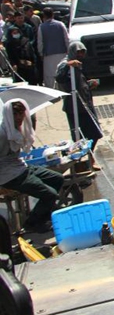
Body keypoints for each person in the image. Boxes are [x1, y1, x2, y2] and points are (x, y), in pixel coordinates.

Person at [0, 99, 64, 232]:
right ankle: (33, 223)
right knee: (50, 194)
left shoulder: (17, 130)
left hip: (20, 167)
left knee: (58, 179)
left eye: (20, 114)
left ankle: (43, 214)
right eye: (15, 114)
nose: (18, 118)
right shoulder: (2, 133)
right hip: (8, 175)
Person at [55, 42, 103, 171]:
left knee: (95, 133)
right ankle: (80, 165)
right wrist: (68, 65)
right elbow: (59, 78)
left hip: (86, 104)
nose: (81, 55)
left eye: (83, 52)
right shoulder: (65, 64)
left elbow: (79, 83)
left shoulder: (79, 65)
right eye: (78, 52)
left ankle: (90, 159)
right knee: (78, 138)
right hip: (74, 107)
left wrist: (89, 84)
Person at [36, 7, 69, 89]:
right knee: (62, 71)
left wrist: (40, 53)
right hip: (62, 53)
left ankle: (53, 91)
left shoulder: (41, 27)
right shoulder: (60, 24)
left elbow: (40, 42)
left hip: (48, 55)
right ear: (53, 15)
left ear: (44, 16)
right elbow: (67, 39)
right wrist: (68, 51)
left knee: (50, 75)